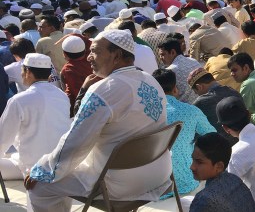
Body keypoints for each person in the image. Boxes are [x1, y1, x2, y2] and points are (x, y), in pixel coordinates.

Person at [26, 30, 172, 211]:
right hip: (158, 172)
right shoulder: (150, 79)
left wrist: (43, 169)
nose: (89, 57)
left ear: (116, 56)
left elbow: (75, 142)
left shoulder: (105, 89)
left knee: (40, 185)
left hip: (120, 182)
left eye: (94, 51)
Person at [0, 54, 70, 180]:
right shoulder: (62, 96)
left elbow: (2, 138)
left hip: (33, 168)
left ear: (28, 72)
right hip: (60, 164)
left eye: (22, 70)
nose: (21, 74)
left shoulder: (19, 100)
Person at [153, 68, 216, 195]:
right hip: (186, 181)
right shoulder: (191, 111)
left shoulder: (145, 114)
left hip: (153, 184)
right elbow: (212, 136)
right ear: (175, 88)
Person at [188, 132, 255, 212]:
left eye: (199, 162)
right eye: (193, 160)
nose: (192, 167)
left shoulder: (204, 200)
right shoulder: (234, 180)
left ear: (219, 166)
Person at [188, 68, 242, 145]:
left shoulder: (200, 103)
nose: (198, 95)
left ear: (199, 86)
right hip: (242, 142)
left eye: (196, 92)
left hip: (218, 150)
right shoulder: (234, 92)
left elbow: (191, 133)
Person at [157, 38, 203, 103]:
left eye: (163, 54)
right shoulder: (194, 61)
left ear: (173, 52)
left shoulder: (169, 71)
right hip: (200, 105)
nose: (161, 58)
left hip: (184, 109)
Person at [60, 35, 92, 116]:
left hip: (79, 108)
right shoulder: (92, 58)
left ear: (64, 54)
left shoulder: (68, 69)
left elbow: (77, 93)